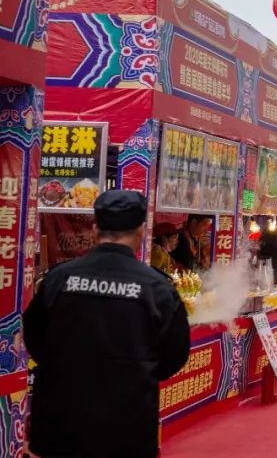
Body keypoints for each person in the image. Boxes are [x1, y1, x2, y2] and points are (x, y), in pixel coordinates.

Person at [24, 190, 191, 458]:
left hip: (59, 425)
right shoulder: (157, 288)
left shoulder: (58, 279)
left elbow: (33, 338)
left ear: (94, 230)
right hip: (127, 427)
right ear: (140, 232)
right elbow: (175, 355)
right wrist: (135, 372)